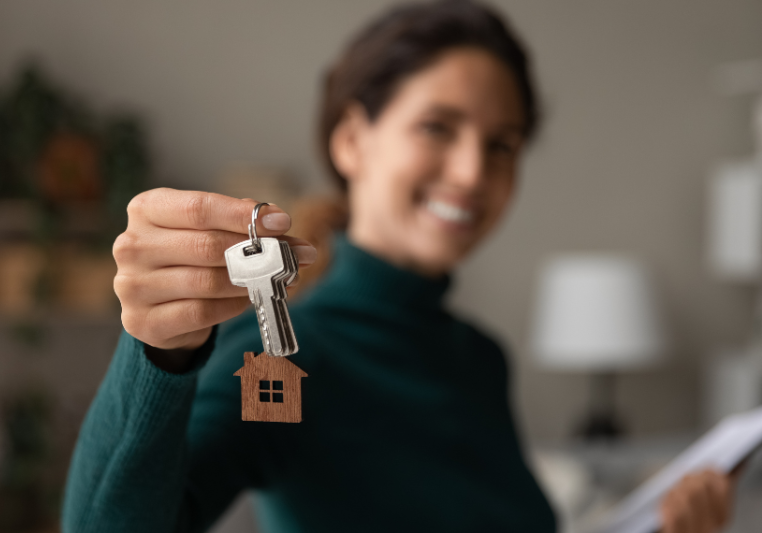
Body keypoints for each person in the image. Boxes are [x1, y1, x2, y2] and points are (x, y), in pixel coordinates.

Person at [62, 1, 739, 532]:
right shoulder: (282, 356)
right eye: (438, 127)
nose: (473, 172)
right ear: (353, 140)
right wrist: (159, 353)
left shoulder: (478, 357)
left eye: (501, 145)